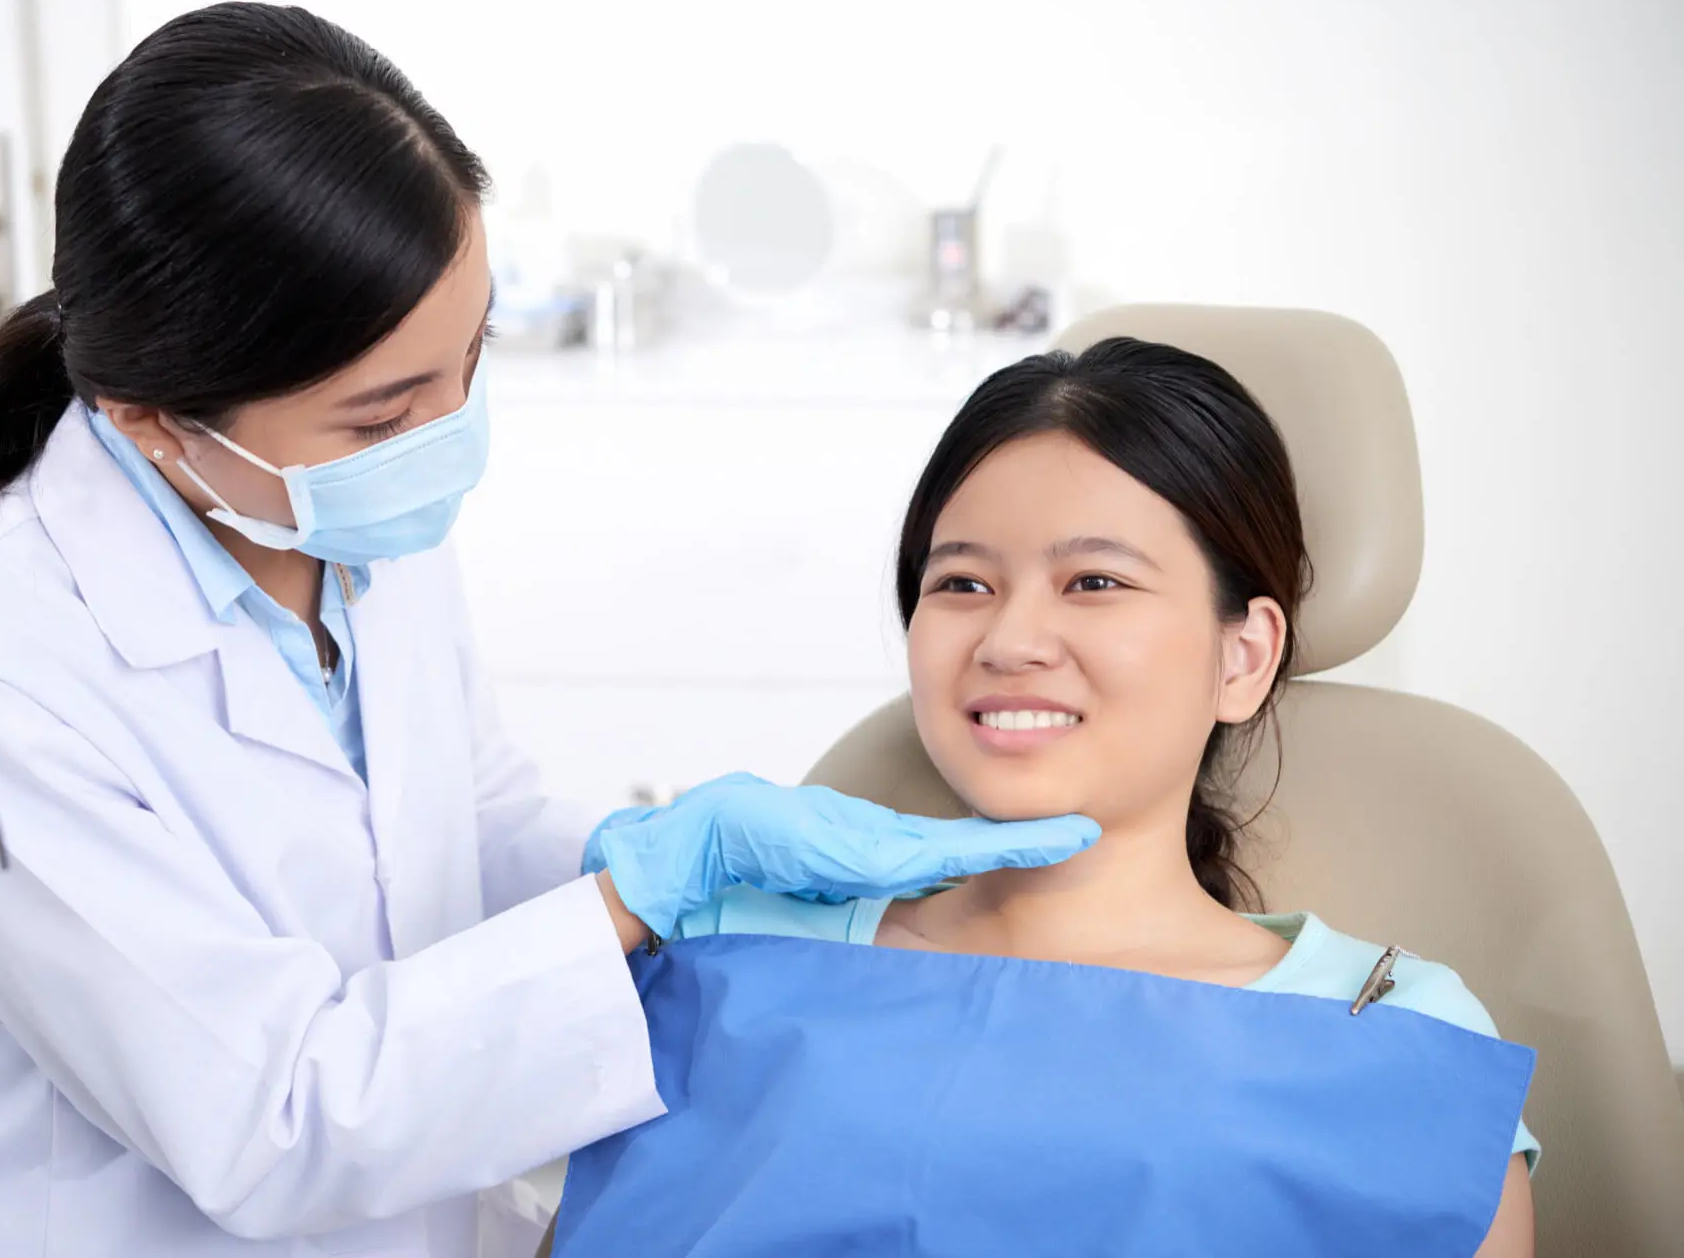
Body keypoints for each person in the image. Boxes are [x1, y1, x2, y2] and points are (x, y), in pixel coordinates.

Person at [0, 3, 1099, 1258]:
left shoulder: (343, 526)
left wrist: (667, 876)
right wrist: (633, 901)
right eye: (382, 419)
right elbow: (272, 1123)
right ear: (153, 419)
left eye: (470, 358)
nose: (444, 441)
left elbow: (463, 838)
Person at [554, 338, 1538, 1257]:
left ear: (1242, 657)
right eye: (962, 584)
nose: (1009, 641)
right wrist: (615, 914)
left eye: (1094, 582)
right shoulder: (718, 943)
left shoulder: (1399, 1037)